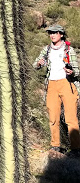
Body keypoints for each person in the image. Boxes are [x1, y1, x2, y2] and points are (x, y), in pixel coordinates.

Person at [33, 24, 80, 155]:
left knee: (71, 118)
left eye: (55, 32)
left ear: (61, 34)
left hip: (67, 84)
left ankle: (76, 148)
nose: (52, 35)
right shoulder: (46, 49)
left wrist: (71, 72)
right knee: (53, 117)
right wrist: (39, 63)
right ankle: (55, 146)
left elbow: (77, 71)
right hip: (51, 85)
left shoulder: (68, 50)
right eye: (50, 33)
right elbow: (35, 64)